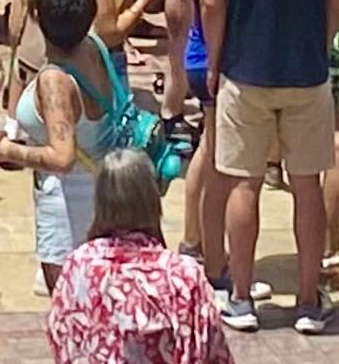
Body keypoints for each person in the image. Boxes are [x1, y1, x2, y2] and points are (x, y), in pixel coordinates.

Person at [200, 0, 339, 332]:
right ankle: (308, 300)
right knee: (308, 185)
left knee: (244, 183)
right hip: (306, 71)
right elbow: (335, 3)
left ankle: (241, 297)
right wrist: (319, 46)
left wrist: (214, 64)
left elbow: (213, 0)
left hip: (245, 68)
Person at [45, 151, 229, 364]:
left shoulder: (78, 266)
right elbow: (208, 352)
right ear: (151, 200)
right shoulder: (183, 276)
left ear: (101, 201)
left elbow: (61, 336)